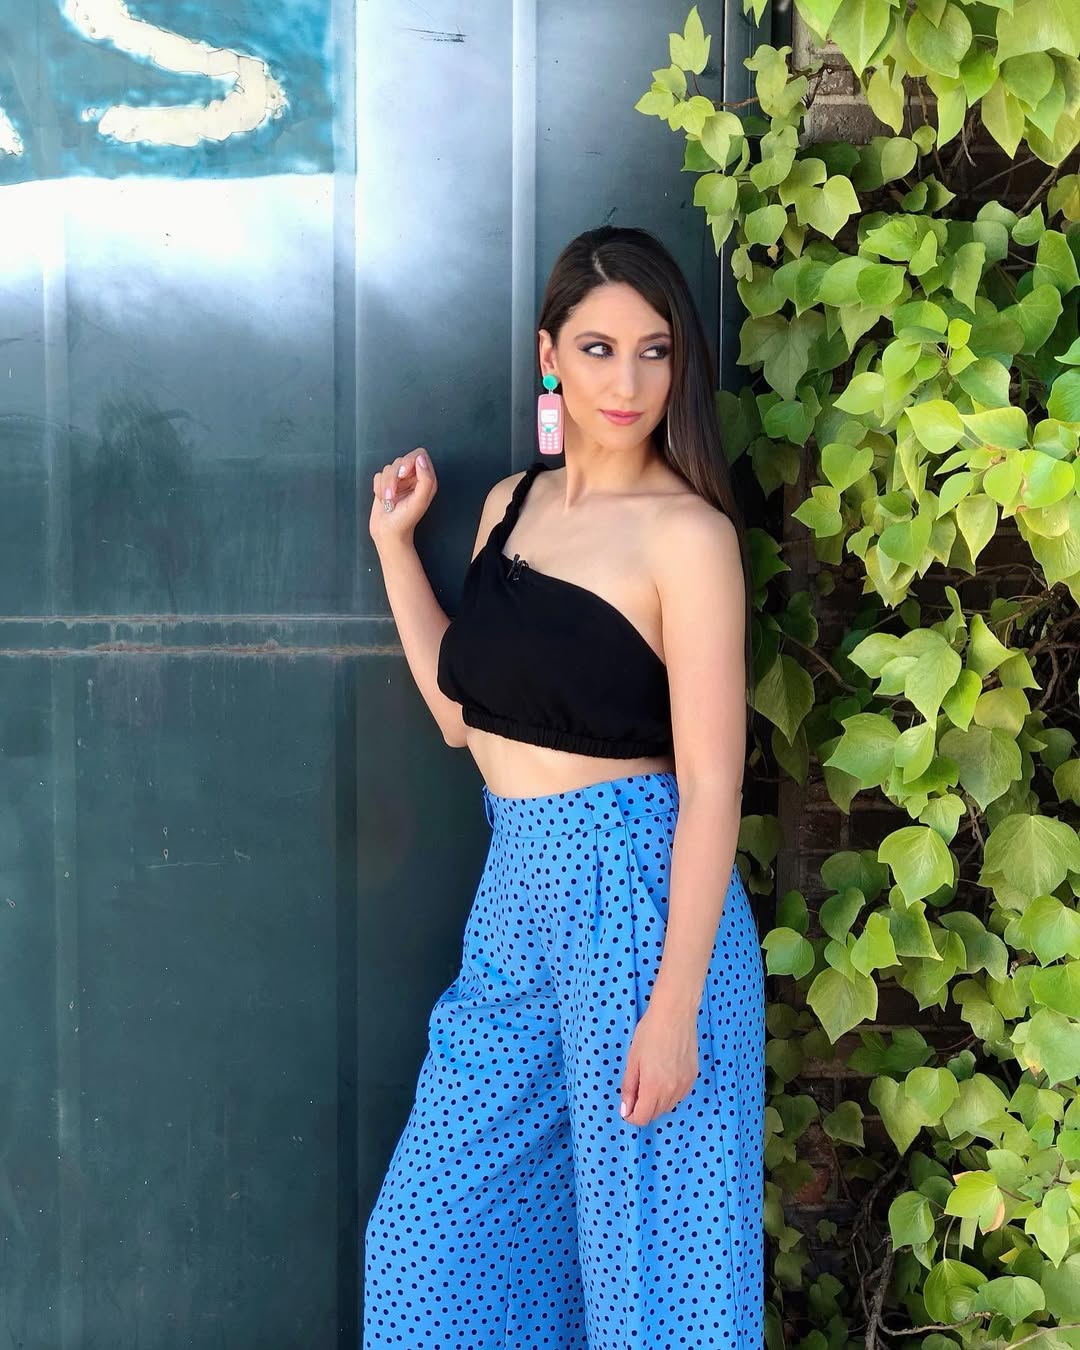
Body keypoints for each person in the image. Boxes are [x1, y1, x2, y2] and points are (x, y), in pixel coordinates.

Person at [362, 225, 764, 1349]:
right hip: (516, 901)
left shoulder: (688, 535)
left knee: (655, 1292)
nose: (626, 382)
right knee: (425, 1251)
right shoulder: (510, 505)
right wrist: (397, 550)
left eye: (653, 351)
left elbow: (714, 786)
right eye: (597, 349)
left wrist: (675, 1009)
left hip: (639, 901)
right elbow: (461, 719)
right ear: (550, 356)